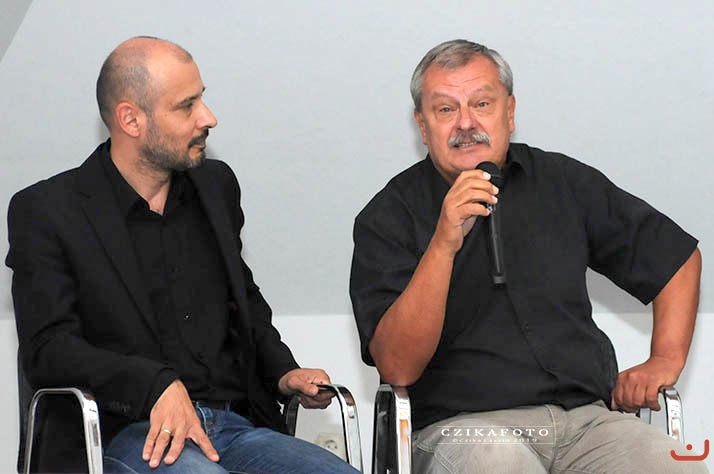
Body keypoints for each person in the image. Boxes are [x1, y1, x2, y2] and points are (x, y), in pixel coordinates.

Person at [350, 39, 707, 473]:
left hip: (588, 424)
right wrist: (443, 243)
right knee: (497, 462)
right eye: (445, 109)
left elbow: (675, 257)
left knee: (674, 466)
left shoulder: (563, 181)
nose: (466, 123)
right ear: (423, 127)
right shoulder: (387, 216)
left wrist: (664, 359)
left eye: (482, 103)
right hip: (464, 429)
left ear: (510, 112)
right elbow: (398, 367)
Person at [7, 36, 359, 474]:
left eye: (201, 99)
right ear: (131, 119)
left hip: (233, 427)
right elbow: (48, 350)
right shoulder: (49, 210)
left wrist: (283, 372)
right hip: (124, 433)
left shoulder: (215, 187)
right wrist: (153, 384)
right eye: (186, 106)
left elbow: (243, 300)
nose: (208, 118)